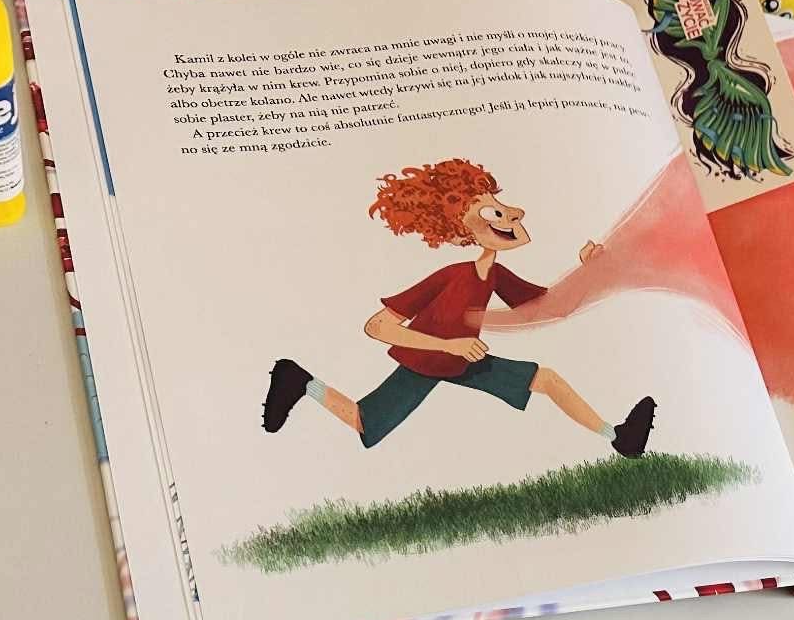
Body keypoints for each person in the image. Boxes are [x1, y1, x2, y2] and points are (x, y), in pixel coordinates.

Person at [261, 156, 657, 457]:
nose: (513, 215)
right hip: (427, 362)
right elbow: (378, 326)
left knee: (546, 379)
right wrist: (449, 345)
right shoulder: (453, 275)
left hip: (462, 361)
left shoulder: (494, 274)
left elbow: (550, 307)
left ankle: (619, 438)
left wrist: (589, 272)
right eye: (492, 211)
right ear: (458, 226)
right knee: (364, 421)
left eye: (502, 207)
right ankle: (298, 380)